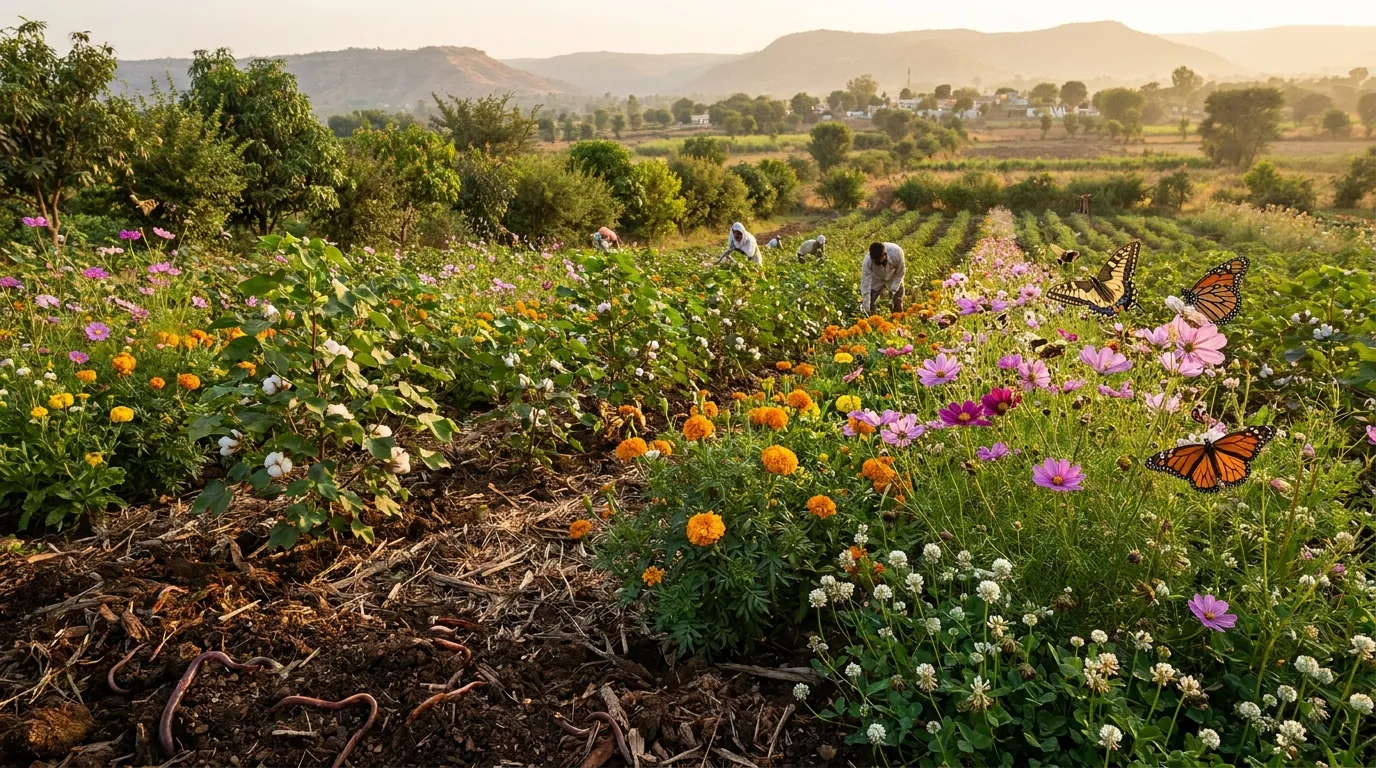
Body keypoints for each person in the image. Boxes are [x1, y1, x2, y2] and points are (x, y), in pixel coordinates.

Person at [860, 241, 905, 313]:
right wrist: (866, 305)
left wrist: (894, 289)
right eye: (875, 261)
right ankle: (871, 314)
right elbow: (865, 282)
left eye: (878, 260)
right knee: (870, 300)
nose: (877, 262)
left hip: (893, 275)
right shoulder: (868, 261)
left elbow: (900, 273)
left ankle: (898, 315)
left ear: (884, 254)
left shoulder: (897, 253)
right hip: (876, 278)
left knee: (898, 299)